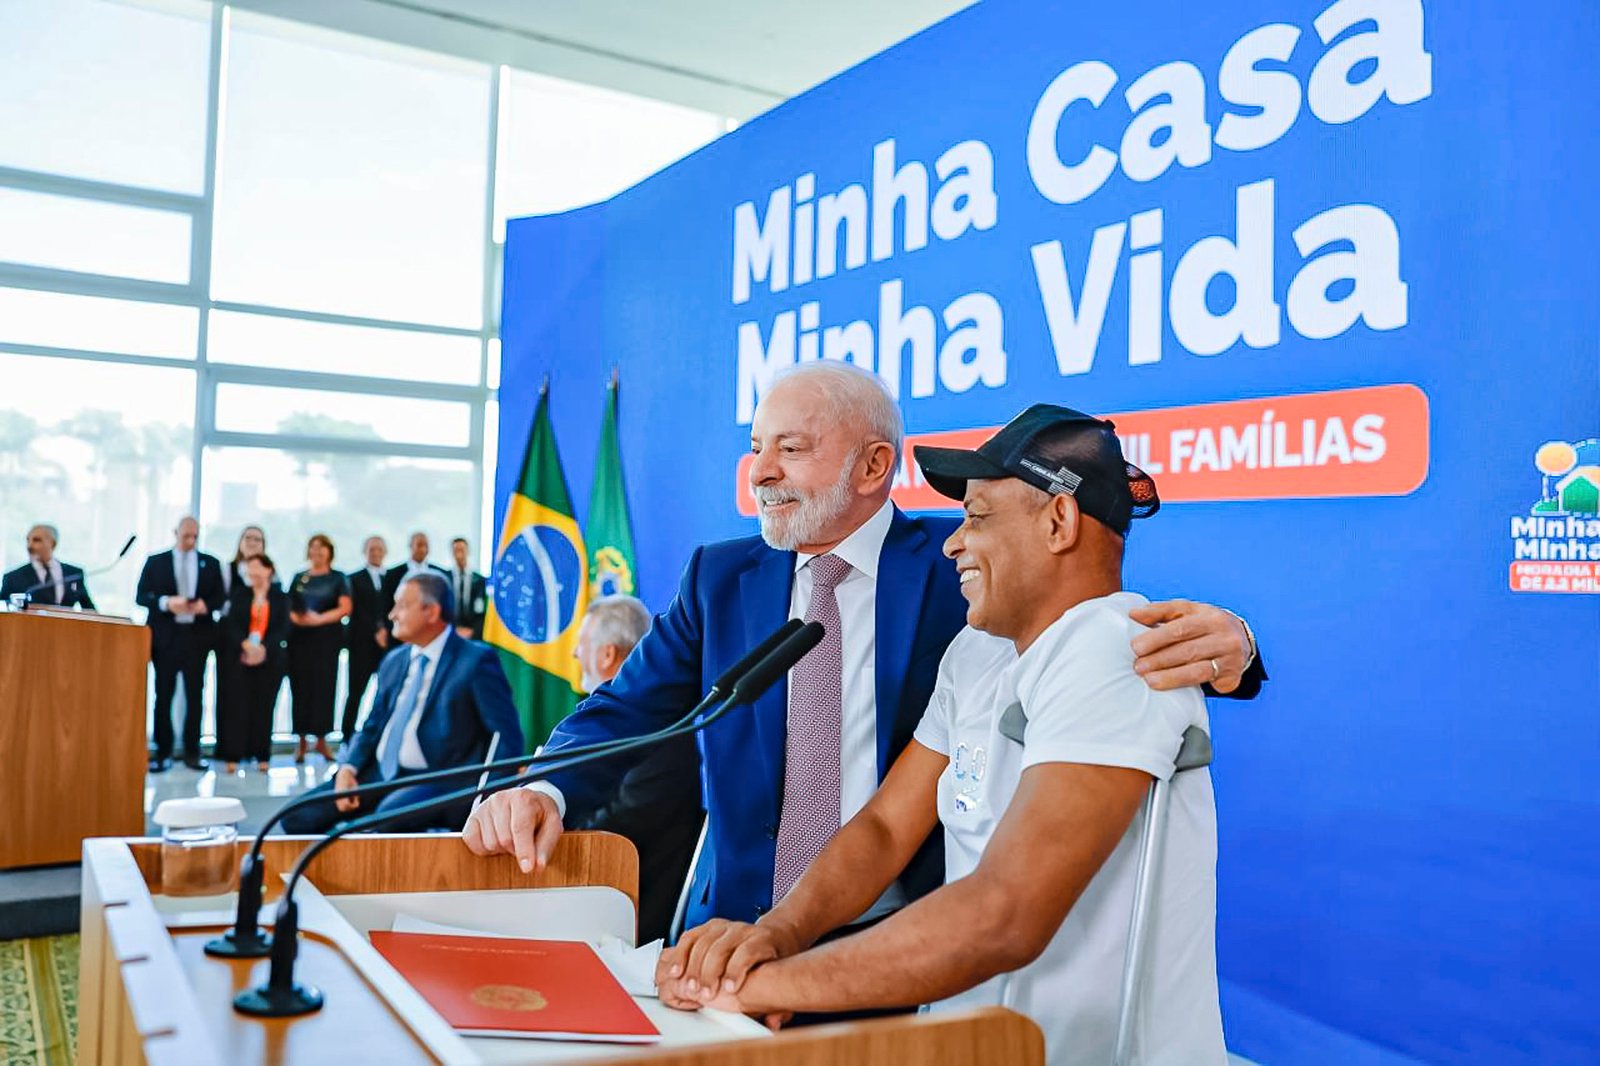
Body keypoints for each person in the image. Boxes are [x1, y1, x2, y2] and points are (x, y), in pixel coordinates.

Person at [464, 361, 1263, 935]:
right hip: (732, 931)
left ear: (874, 464)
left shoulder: (964, 563)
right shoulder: (717, 578)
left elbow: (1087, 618)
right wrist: (544, 790)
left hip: (905, 937)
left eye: (790, 448)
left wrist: (1236, 647)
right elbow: (622, 711)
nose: (759, 472)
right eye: (756, 445)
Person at [658, 406, 1225, 1064]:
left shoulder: (1113, 651)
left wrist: (759, 987)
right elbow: (884, 829)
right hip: (974, 1044)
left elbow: (1005, 914)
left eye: (977, 517)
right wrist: (778, 934)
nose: (954, 543)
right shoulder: (976, 653)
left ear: (1058, 522)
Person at [280, 571, 524, 835]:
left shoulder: (475, 660)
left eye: (402, 606)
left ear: (431, 612)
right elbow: (372, 724)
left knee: (381, 821)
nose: (392, 614)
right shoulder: (394, 660)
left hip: (436, 778)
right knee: (296, 816)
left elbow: (507, 736)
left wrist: (484, 798)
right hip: (378, 774)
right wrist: (348, 768)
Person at [563, 595, 704, 943]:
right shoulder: (600, 723)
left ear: (607, 654)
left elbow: (627, 819)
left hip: (632, 912)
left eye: (582, 644)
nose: (575, 654)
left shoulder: (660, 727)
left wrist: (557, 828)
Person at [136, 516, 225, 772]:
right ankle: (163, 752)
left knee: (195, 695)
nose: (191, 541)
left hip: (197, 638)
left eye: (195, 536)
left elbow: (220, 597)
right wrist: (166, 602)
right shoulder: (156, 561)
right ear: (176, 533)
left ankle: (192, 751)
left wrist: (205, 606)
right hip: (166, 638)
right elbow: (141, 596)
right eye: (186, 536)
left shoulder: (210, 563)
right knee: (163, 696)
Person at [216, 553, 289, 774]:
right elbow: (232, 624)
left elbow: (284, 627)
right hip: (241, 657)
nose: (253, 572)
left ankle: (262, 755)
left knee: (264, 707)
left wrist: (264, 648)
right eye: (250, 568)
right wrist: (245, 644)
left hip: (270, 659)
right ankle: (234, 755)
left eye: (257, 567)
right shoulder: (240, 594)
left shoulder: (280, 597)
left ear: (269, 570)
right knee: (238, 707)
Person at [287, 533, 351, 763]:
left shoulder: (338, 578)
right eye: (313, 547)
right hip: (299, 641)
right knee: (300, 688)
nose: (317, 552)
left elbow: (345, 608)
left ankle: (322, 741)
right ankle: (301, 741)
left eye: (321, 548)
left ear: (329, 552)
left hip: (326, 641)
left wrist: (319, 619)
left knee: (324, 689)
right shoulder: (299, 577)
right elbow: (289, 606)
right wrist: (300, 620)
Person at [215, 525, 267, 759]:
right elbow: (221, 603)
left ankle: (252, 748)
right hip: (232, 640)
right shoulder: (228, 569)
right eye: (248, 538)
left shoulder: (271, 571)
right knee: (230, 696)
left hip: (260, 643)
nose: (252, 542)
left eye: (258, 539)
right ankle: (228, 749)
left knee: (256, 697)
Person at [342, 535, 390, 741]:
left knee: (385, 691)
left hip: (386, 645)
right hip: (361, 644)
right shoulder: (353, 578)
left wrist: (386, 631)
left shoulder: (391, 578)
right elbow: (356, 611)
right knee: (355, 692)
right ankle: (347, 736)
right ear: (365, 552)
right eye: (372, 549)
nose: (376, 553)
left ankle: (380, 733)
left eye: (379, 549)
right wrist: (375, 631)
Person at [1, 524, 95, 608]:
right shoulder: (13, 578)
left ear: (53, 543)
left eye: (36, 540)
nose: (29, 546)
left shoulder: (74, 574)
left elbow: (89, 610)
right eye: (28, 540)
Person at [383, 532, 446, 641]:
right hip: (400, 635)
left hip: (432, 634)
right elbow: (386, 605)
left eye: (426, 545)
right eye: (419, 545)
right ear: (410, 546)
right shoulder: (392, 574)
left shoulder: (440, 574)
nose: (423, 549)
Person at [448, 537, 488, 641]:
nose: (459, 554)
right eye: (456, 550)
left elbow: (482, 611)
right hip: (449, 633)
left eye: (462, 550)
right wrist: (454, 630)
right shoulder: (445, 578)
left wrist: (473, 631)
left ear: (468, 551)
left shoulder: (480, 581)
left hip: (473, 635)